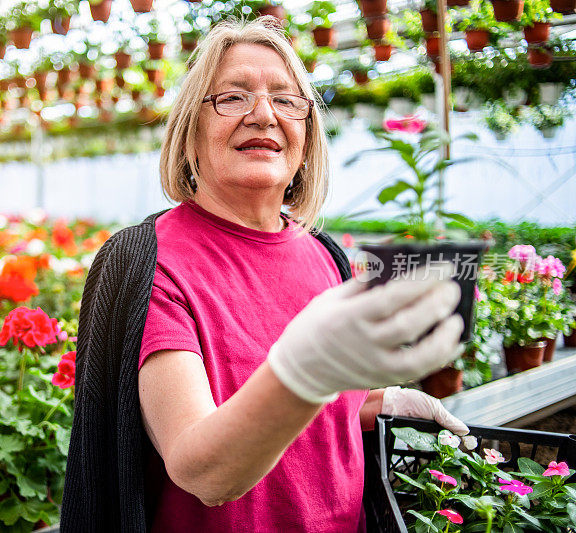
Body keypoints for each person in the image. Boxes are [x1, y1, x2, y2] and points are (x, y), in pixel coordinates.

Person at [61, 18, 469, 532]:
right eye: (232, 97)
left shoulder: (325, 256)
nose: (263, 114)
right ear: (191, 133)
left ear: (305, 137)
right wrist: (309, 367)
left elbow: (312, 410)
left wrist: (382, 401)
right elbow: (201, 470)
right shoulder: (152, 262)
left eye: (286, 100)